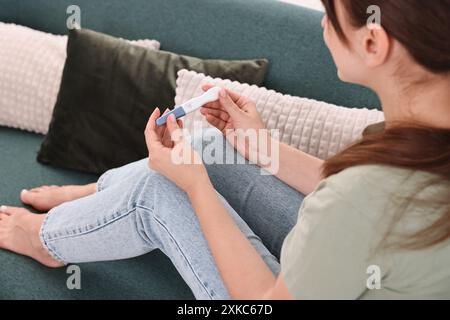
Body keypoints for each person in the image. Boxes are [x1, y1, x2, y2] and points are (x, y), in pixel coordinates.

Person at [0, 0, 449, 299]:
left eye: (330, 15)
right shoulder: (425, 135)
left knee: (157, 193)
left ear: (373, 43)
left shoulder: (359, 197)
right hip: (353, 265)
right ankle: (100, 194)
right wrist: (259, 145)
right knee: (215, 146)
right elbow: (361, 199)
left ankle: (45, 239)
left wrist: (194, 186)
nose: (322, 24)